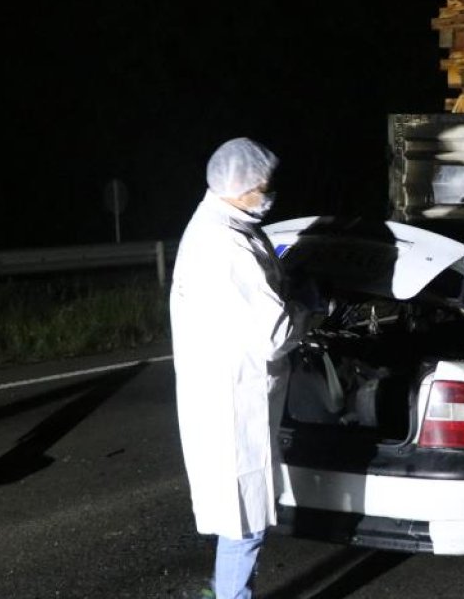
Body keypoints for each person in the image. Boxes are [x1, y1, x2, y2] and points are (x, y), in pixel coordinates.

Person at [170, 137, 307, 599]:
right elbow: (274, 336)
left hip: (221, 386)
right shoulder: (229, 244)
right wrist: (311, 315)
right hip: (233, 396)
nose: (268, 195)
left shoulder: (218, 223)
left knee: (240, 517)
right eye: (262, 187)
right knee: (243, 521)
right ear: (239, 185)